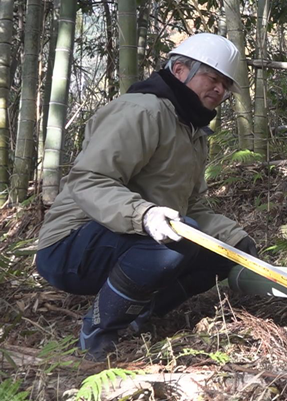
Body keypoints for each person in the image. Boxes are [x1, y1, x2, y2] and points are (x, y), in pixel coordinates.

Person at [35, 33, 260, 361]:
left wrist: (235, 241)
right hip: (70, 245)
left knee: (219, 253)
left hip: (133, 236)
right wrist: (145, 214)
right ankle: (98, 333)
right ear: (180, 69)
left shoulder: (192, 132)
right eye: (213, 78)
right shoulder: (142, 111)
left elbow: (193, 206)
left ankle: (140, 313)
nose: (220, 90)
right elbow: (90, 179)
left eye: (226, 85)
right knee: (175, 240)